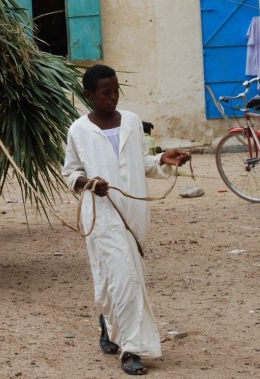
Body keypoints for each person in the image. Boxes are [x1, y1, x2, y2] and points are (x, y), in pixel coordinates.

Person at [61, 64, 191, 376]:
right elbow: (70, 173)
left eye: (116, 90)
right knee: (125, 278)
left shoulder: (132, 122)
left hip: (134, 216)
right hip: (102, 216)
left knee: (114, 280)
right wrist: (88, 183)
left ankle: (107, 322)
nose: (113, 97)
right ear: (89, 95)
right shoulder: (79, 130)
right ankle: (132, 349)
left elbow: (141, 162)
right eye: (105, 92)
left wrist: (163, 158)